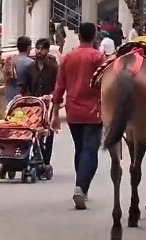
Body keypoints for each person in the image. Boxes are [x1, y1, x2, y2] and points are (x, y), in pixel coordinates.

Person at [52, 22, 105, 210]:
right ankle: (81, 187)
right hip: (94, 111)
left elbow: (59, 87)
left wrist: (55, 113)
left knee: (80, 149)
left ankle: (80, 186)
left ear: (79, 36)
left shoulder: (67, 57)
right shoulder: (98, 57)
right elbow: (105, 84)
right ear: (95, 36)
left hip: (73, 110)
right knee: (90, 150)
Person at [19, 38, 59, 166]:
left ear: (47, 50)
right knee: (32, 131)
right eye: (37, 48)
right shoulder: (30, 68)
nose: (39, 51)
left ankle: (46, 161)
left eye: (42, 49)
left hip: (48, 106)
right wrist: (23, 96)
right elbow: (24, 86)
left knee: (48, 132)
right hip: (33, 105)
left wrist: (51, 96)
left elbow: (58, 86)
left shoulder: (53, 68)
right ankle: (34, 157)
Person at [5, 36, 33, 103]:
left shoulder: (10, 61)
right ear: (29, 47)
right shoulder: (30, 63)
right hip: (21, 100)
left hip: (9, 99)